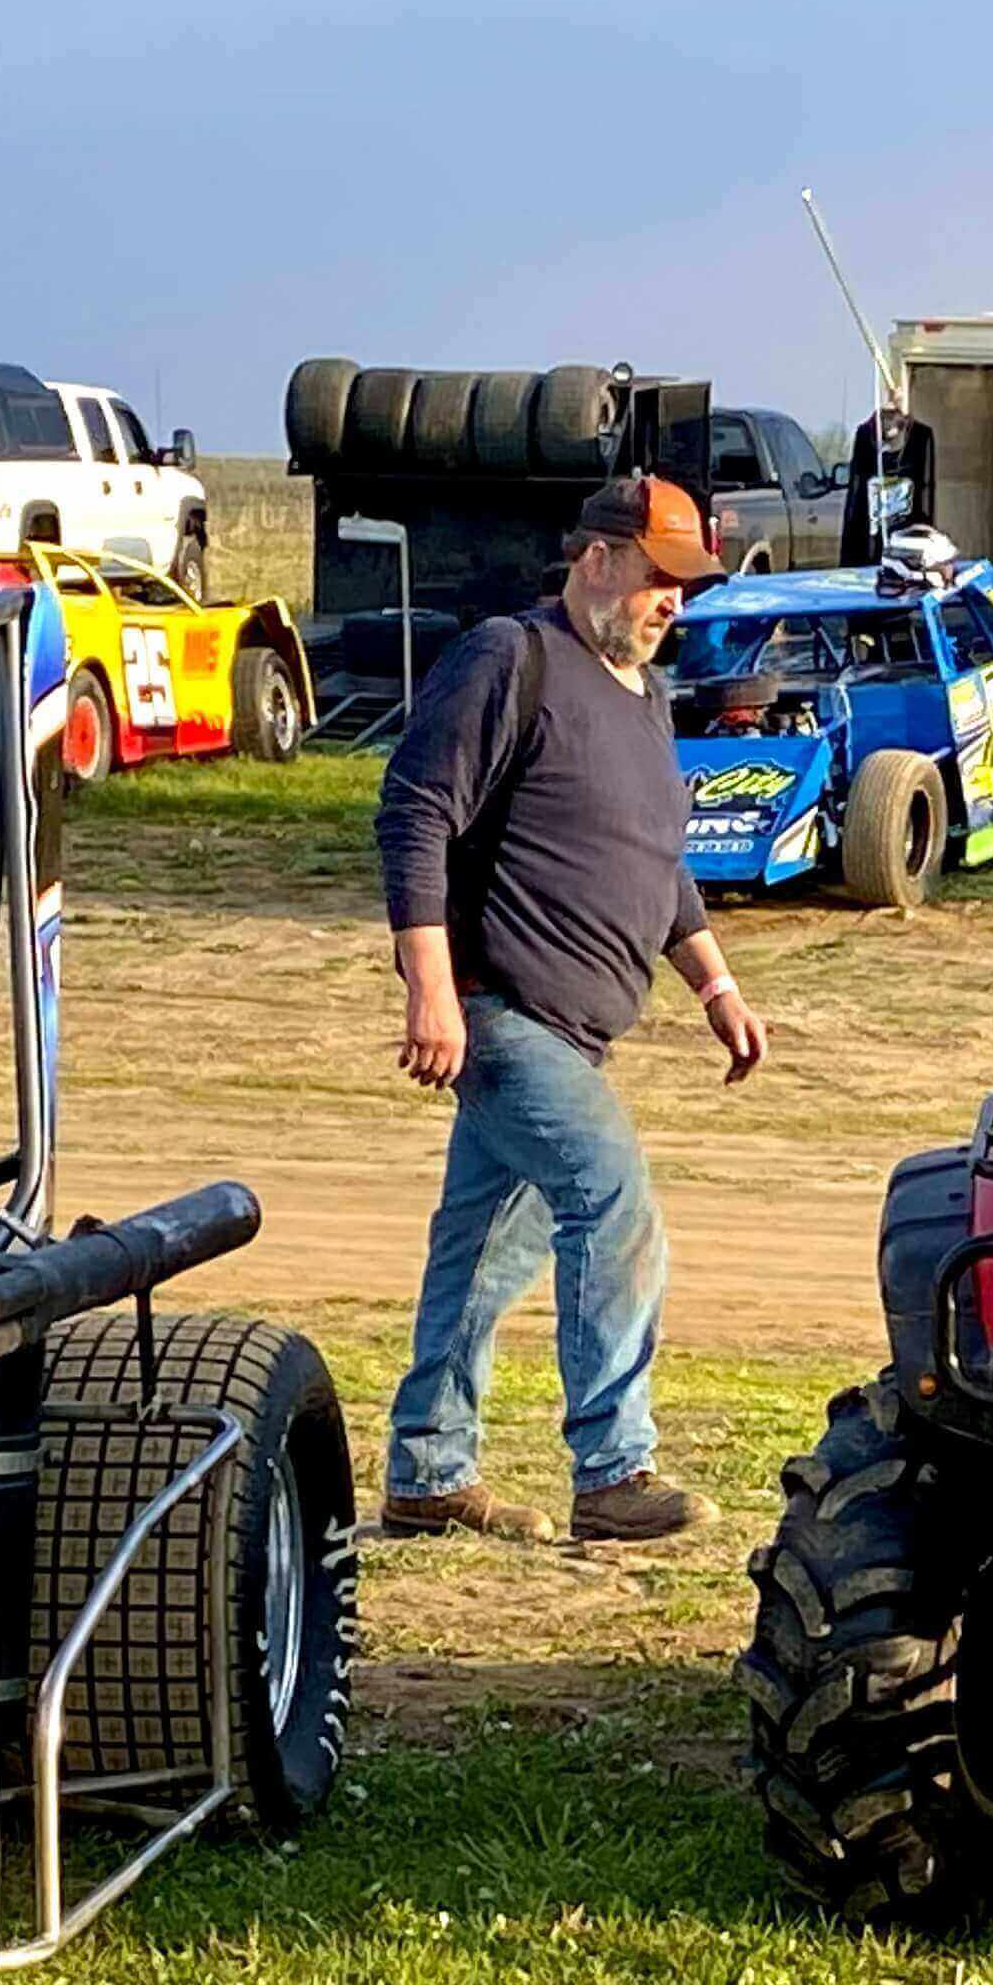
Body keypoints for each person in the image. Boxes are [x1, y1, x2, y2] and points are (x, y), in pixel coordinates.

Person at [374, 474, 771, 1546]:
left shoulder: (641, 698)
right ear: (596, 558)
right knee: (612, 1197)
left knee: (484, 1253)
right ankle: (612, 1471)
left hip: (577, 1028)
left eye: (684, 589)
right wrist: (431, 990)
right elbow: (414, 813)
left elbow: (657, 860)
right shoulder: (514, 658)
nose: (670, 605)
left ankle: (426, 1470)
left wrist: (715, 984)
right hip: (502, 1013)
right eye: (658, 579)